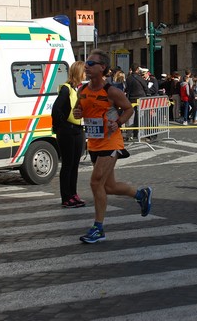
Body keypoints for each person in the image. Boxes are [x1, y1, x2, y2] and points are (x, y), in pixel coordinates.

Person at [73, 49, 153, 243]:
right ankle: (140, 194)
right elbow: (80, 109)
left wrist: (117, 122)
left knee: (95, 182)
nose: (87, 67)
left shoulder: (112, 92)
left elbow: (128, 110)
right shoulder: (82, 90)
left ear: (103, 68)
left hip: (111, 141)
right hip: (94, 142)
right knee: (108, 186)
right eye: (86, 64)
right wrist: (78, 112)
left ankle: (98, 228)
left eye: (91, 64)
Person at [51, 60, 86, 208]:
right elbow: (56, 109)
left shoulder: (79, 89)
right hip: (67, 131)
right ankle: (66, 197)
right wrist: (62, 126)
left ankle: (73, 193)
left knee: (75, 165)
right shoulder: (66, 89)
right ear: (79, 72)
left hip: (78, 130)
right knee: (68, 164)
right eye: (84, 71)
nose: (86, 74)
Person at [125, 63, 149, 139]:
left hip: (131, 98)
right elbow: (146, 87)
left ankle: (129, 134)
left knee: (130, 117)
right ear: (137, 69)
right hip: (140, 98)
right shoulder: (140, 78)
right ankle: (140, 133)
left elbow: (127, 89)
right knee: (141, 116)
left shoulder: (128, 78)